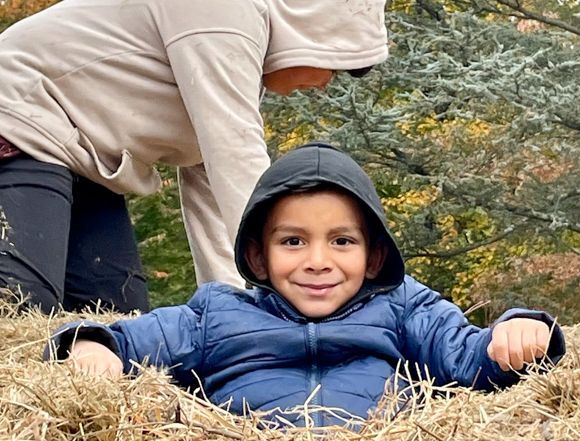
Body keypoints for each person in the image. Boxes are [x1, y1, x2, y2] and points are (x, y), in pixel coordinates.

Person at [44, 142, 566, 428]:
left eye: (342, 242)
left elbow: (468, 353)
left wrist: (518, 331)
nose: (318, 261)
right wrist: (92, 345)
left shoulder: (402, 307)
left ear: (374, 253)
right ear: (258, 256)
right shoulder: (218, 315)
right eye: (293, 242)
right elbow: (135, 339)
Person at [0, 0, 388, 313]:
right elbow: (237, 158)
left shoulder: (240, 59)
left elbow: (215, 197)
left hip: (78, 157)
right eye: (334, 68)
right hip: (16, 116)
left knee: (114, 319)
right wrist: (288, 283)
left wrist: (241, 309)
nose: (323, 85)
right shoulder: (221, 10)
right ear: (317, 30)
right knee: (20, 305)